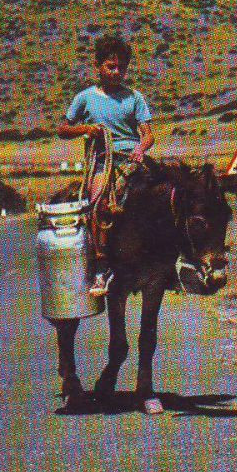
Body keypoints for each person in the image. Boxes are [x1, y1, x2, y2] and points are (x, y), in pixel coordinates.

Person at [58, 34, 155, 296]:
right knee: (99, 202)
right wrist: (86, 129)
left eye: (122, 68)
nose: (116, 72)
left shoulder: (135, 98)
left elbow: (148, 135)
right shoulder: (85, 98)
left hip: (132, 159)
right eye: (111, 67)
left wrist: (140, 148)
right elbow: (62, 129)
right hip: (103, 161)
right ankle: (101, 267)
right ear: (98, 67)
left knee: (165, 194)